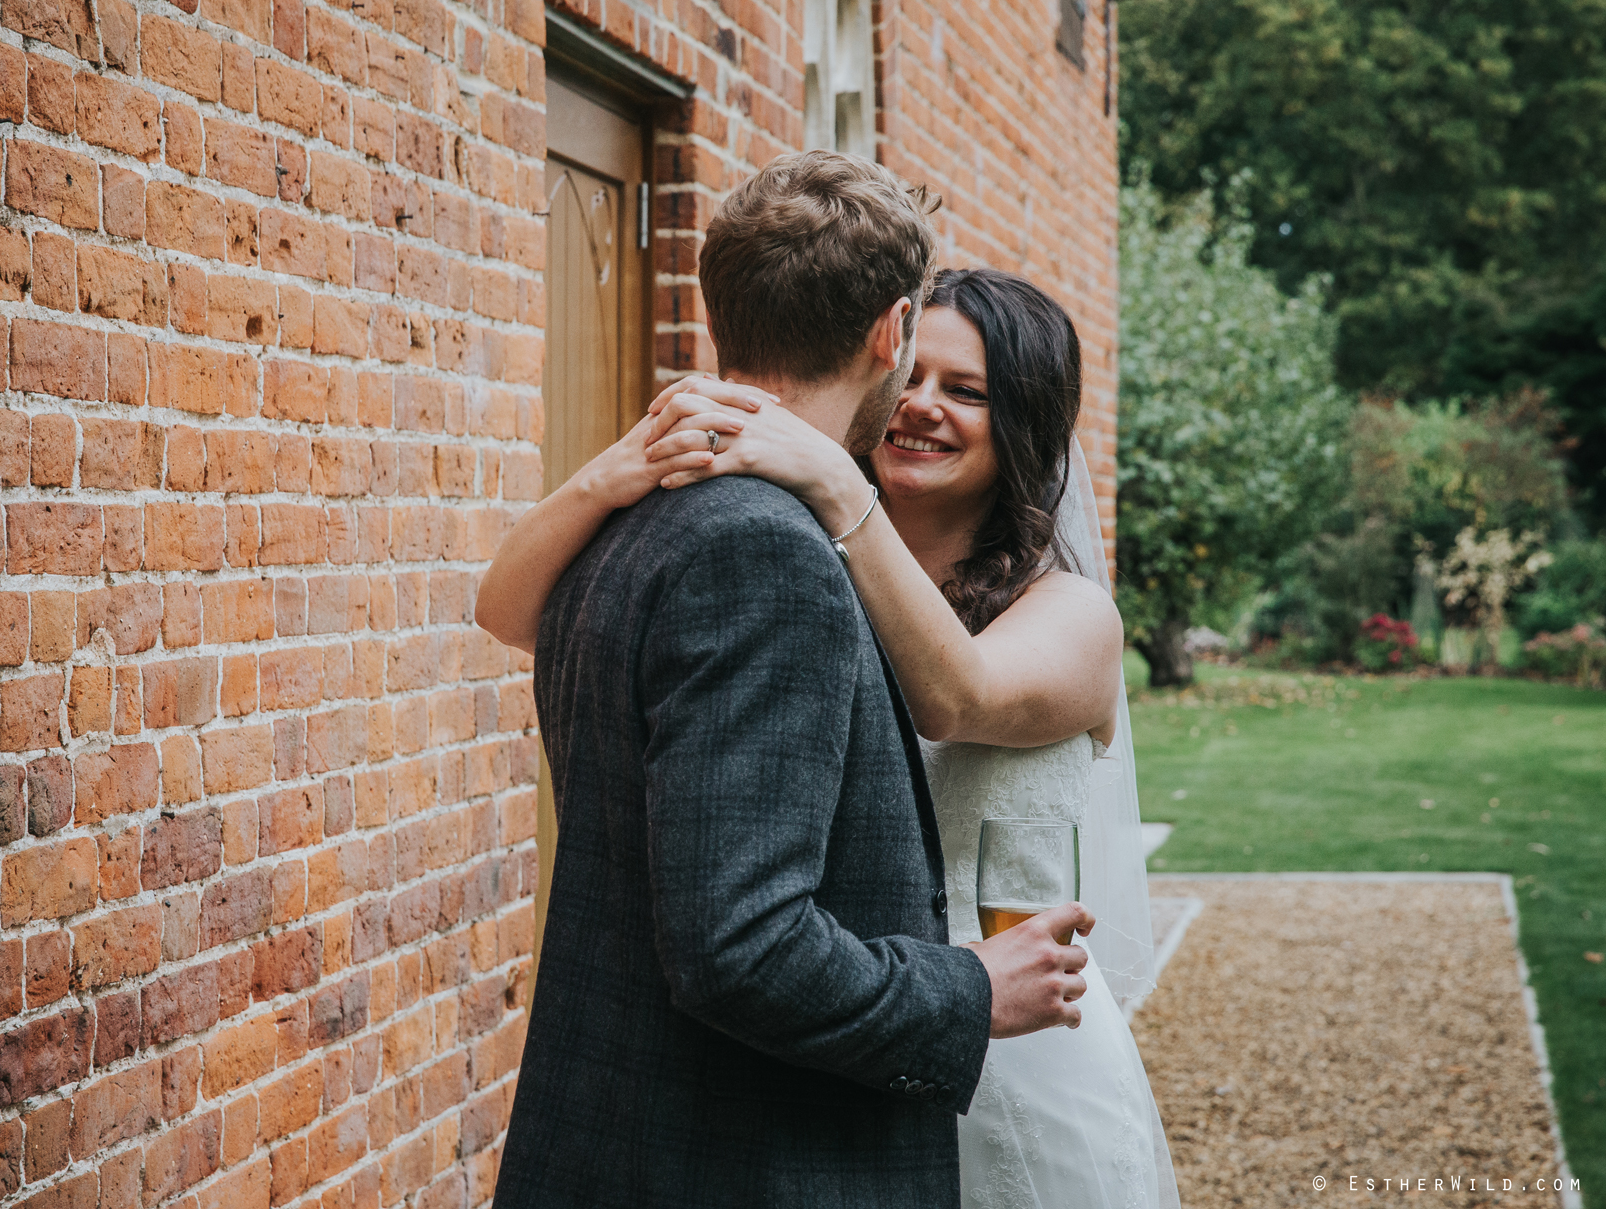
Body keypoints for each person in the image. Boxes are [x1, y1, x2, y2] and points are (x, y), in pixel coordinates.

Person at [480, 260, 1180, 1209]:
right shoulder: (786, 557)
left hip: (1018, 1053)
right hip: (833, 1039)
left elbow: (956, 696)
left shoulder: (1073, 616)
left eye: (967, 391)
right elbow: (509, 610)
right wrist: (611, 472)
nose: (921, 406)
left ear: (1025, 424)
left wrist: (832, 482)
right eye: (915, 376)